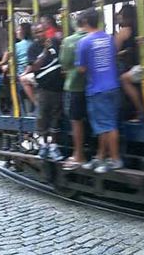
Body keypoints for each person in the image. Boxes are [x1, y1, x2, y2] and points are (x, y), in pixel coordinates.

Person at [76, 9, 124, 174]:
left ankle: (115, 159)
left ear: (85, 23)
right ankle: (100, 156)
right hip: (112, 86)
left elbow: (81, 69)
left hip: (97, 88)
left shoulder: (84, 42)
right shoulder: (109, 38)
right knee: (104, 124)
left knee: (108, 125)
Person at [28, 23, 65, 161]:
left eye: (42, 31)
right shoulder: (33, 48)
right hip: (43, 88)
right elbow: (35, 67)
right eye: (37, 32)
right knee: (43, 117)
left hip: (58, 88)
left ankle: (54, 146)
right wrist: (45, 51)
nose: (40, 34)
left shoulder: (55, 42)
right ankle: (44, 145)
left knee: (56, 118)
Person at [59, 13, 88, 170]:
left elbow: (64, 64)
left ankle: (79, 155)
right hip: (92, 85)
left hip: (74, 85)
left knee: (76, 121)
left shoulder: (69, 41)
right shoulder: (97, 37)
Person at [114, 4, 139, 73]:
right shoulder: (138, 30)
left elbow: (114, 49)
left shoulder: (124, 31)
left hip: (127, 66)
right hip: (136, 63)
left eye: (121, 15)